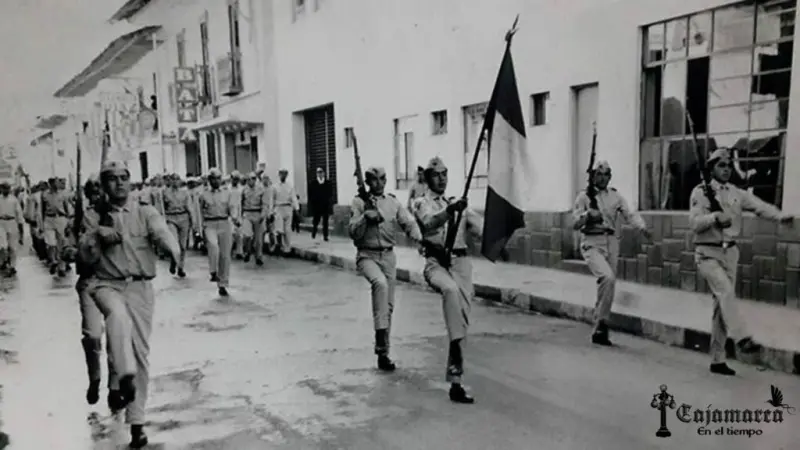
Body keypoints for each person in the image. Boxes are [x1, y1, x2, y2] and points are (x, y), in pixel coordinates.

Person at [80, 161, 180, 448]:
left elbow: (161, 232)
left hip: (139, 286)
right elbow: (85, 259)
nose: (120, 183)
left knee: (140, 353)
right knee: (117, 316)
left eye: (124, 177)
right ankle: (123, 374)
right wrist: (97, 236)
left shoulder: (144, 211)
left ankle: (137, 423)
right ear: (104, 185)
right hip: (106, 284)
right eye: (112, 179)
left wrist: (174, 252)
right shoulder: (93, 216)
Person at [689, 148, 794, 376]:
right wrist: (714, 217)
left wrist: (779, 216)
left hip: (730, 253)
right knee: (726, 292)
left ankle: (717, 360)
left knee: (721, 308)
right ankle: (742, 337)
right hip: (708, 253)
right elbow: (695, 223)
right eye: (721, 165)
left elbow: (759, 206)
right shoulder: (700, 192)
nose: (726, 169)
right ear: (711, 169)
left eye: (728, 165)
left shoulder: (736, 193)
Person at [414, 156, 483, 404]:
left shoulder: (457, 202)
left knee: (461, 320)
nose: (441, 178)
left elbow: (479, 227)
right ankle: (456, 373)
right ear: (427, 178)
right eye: (436, 174)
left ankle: (456, 381)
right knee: (451, 291)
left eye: (444, 173)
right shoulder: (421, 202)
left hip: (461, 265)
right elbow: (429, 223)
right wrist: (450, 211)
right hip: (437, 264)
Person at [349, 167, 422, 371]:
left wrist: (420, 239)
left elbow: (408, 222)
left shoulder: (392, 202)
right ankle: (380, 341)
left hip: (388, 256)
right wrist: (365, 217)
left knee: (388, 306)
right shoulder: (358, 202)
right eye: (374, 180)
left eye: (382, 179)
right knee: (379, 284)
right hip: (367, 255)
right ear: (367, 182)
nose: (379, 183)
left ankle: (384, 354)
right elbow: (353, 233)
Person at [571, 160, 651, 346]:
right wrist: (587, 216)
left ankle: (601, 325)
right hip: (592, 241)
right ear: (592, 176)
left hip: (611, 241)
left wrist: (642, 227)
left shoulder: (615, 196)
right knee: (607, 277)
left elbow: (629, 214)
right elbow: (574, 223)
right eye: (598, 174)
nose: (602, 178)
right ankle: (601, 322)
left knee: (609, 284)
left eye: (606, 174)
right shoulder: (584, 197)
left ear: (610, 177)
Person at [71, 174, 114, 405]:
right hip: (89, 281)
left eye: (100, 187)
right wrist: (72, 251)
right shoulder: (81, 216)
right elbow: (69, 242)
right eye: (92, 189)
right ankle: (94, 378)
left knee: (117, 337)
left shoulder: (115, 214)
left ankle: (115, 386)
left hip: (114, 282)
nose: (96, 192)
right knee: (93, 335)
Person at [197, 168, 239, 296]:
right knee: (213, 246)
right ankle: (213, 271)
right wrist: (199, 229)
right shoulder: (203, 194)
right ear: (209, 180)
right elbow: (199, 212)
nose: (216, 181)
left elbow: (232, 207)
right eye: (213, 178)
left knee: (225, 255)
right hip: (210, 223)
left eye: (218, 178)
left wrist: (235, 219)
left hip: (224, 223)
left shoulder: (227, 193)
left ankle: (223, 284)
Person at [163, 173, 194, 277]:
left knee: (183, 245)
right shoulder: (165, 192)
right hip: (171, 218)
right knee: (174, 243)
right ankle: (173, 260)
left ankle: (180, 267)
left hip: (183, 218)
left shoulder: (185, 193)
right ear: (170, 181)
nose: (175, 181)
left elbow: (190, 207)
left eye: (177, 179)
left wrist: (193, 220)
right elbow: (162, 207)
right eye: (173, 179)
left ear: (180, 181)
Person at [40, 177, 71, 276]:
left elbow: (66, 208)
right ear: (50, 183)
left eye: (57, 182)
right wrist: (42, 223)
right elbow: (42, 209)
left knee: (61, 244)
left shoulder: (63, 194)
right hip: (49, 219)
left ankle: (61, 268)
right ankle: (53, 261)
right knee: (51, 243)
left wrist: (68, 221)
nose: (56, 184)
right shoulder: (45, 194)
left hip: (60, 219)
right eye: (54, 183)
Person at [240, 172, 269, 265]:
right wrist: (240, 216)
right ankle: (247, 251)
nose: (251, 181)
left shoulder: (261, 189)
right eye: (249, 179)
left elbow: (265, 204)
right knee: (247, 235)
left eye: (253, 179)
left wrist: (263, 215)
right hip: (247, 213)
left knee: (258, 239)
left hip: (257, 213)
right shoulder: (244, 190)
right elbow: (240, 203)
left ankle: (258, 257)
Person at [271, 169, 299, 255]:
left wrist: (296, 209)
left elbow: (294, 197)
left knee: (287, 229)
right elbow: (272, 199)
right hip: (278, 208)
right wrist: (271, 211)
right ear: (279, 174)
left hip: (288, 208)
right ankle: (279, 245)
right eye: (282, 174)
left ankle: (287, 248)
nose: (283, 175)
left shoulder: (290, 185)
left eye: (285, 174)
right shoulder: (275, 186)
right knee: (279, 229)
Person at [0, 182, 24, 275]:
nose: (5, 190)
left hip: (12, 222)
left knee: (12, 246)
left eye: (7, 188)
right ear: (1, 189)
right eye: (4, 188)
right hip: (1, 223)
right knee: (2, 246)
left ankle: (12, 266)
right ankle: (3, 261)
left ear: (9, 189)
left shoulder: (14, 200)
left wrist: (21, 226)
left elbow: (19, 213)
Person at [309, 167, 333, 241]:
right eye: (318, 172)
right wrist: (312, 204)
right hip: (317, 205)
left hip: (325, 204)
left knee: (325, 221)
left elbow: (330, 193)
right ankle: (314, 231)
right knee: (316, 220)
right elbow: (311, 194)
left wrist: (329, 202)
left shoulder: (328, 183)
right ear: (316, 174)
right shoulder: (313, 183)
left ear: (324, 173)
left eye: (321, 172)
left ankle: (325, 236)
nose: (320, 174)